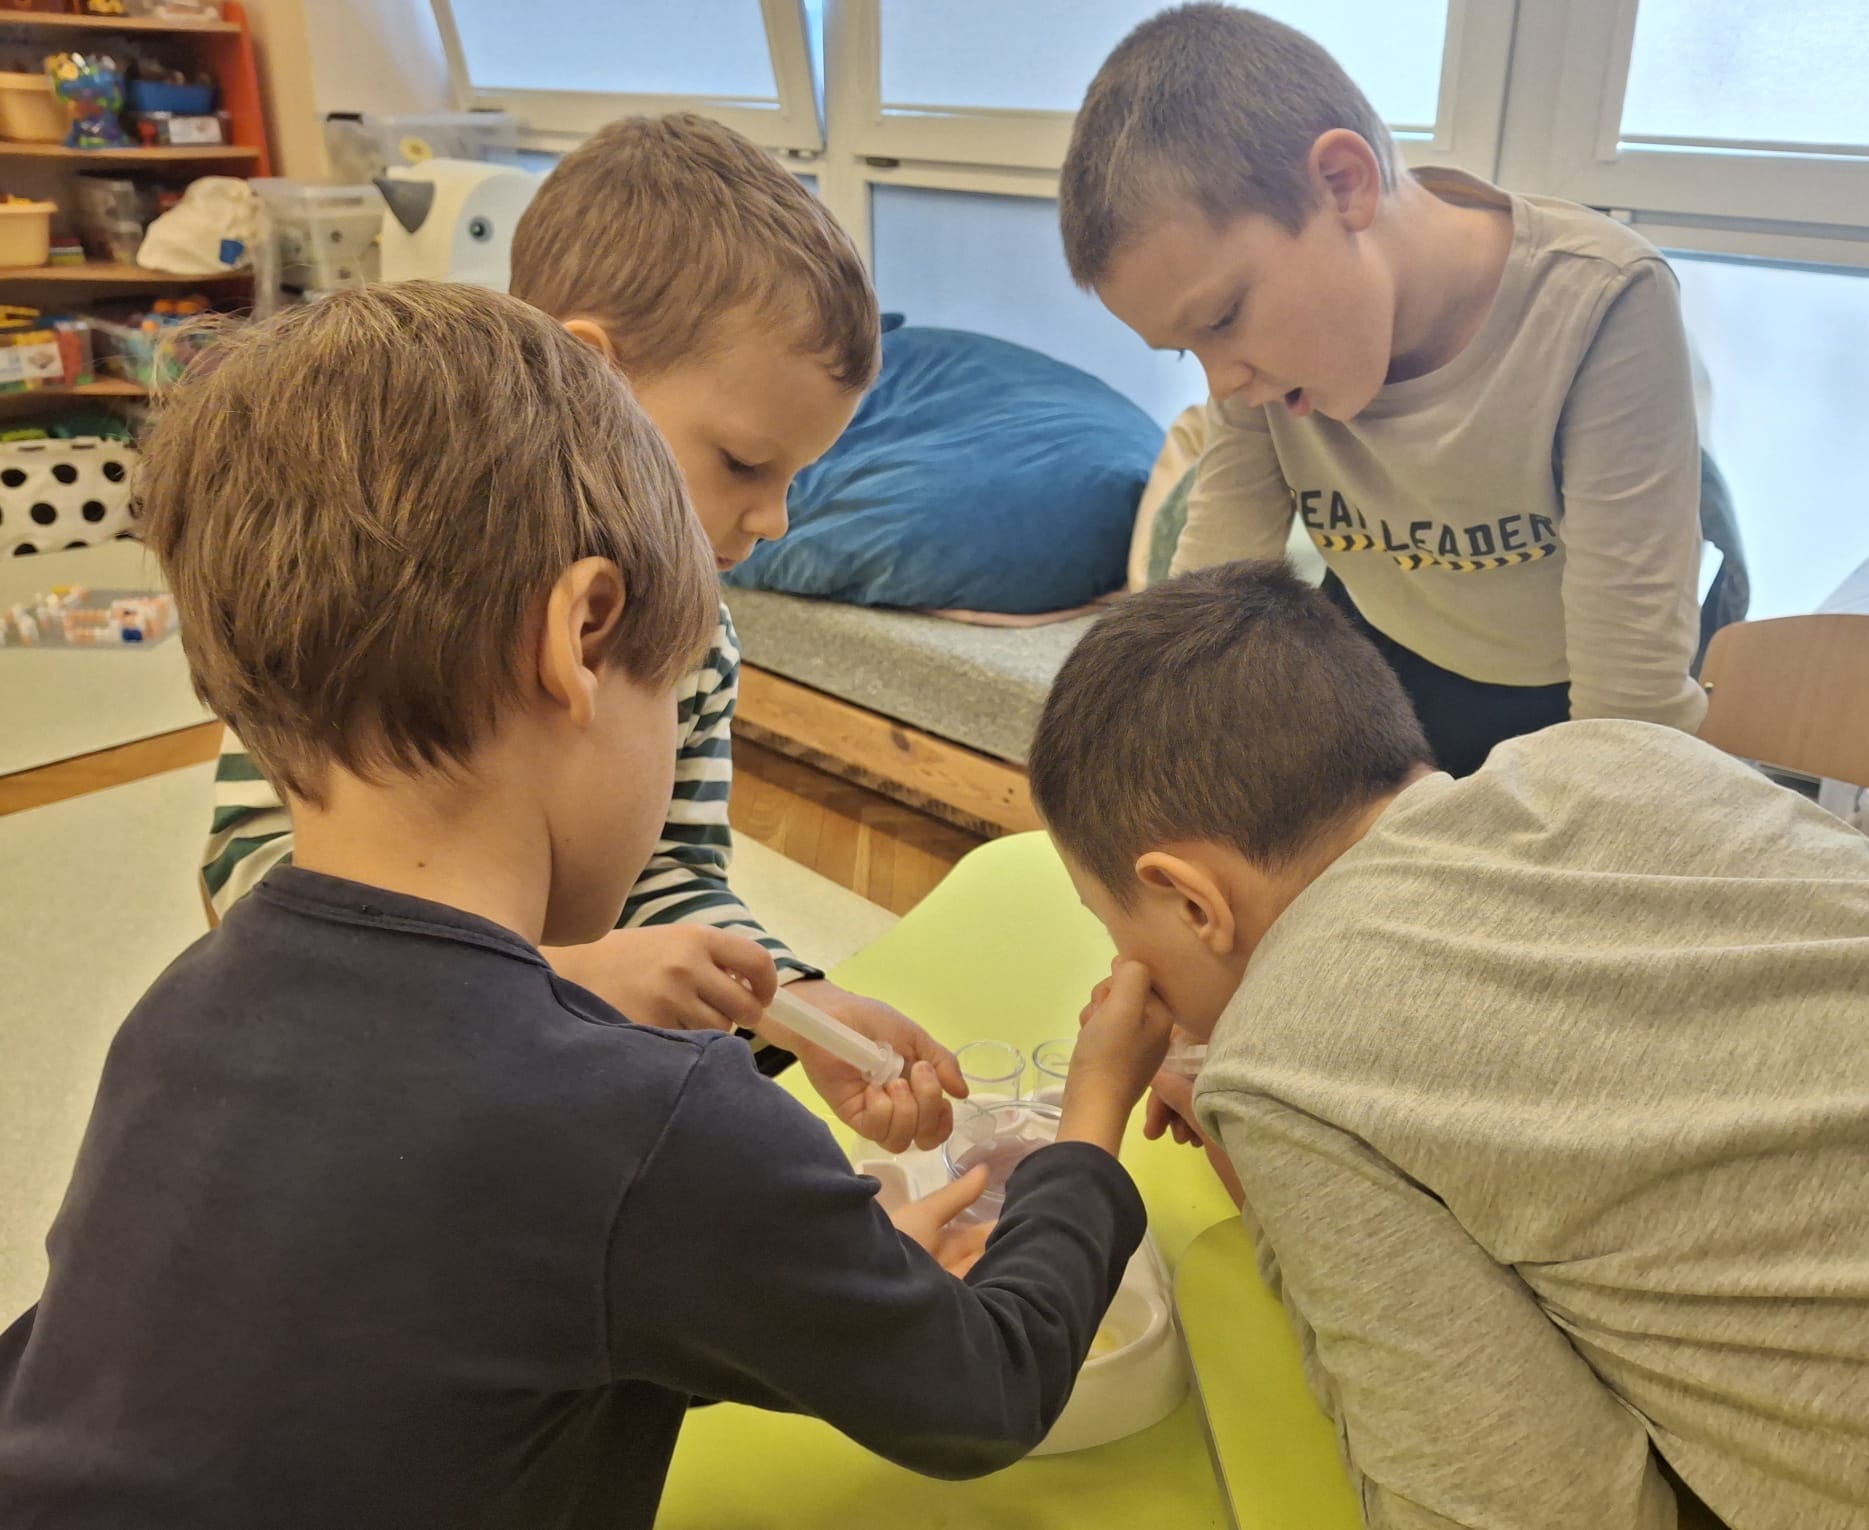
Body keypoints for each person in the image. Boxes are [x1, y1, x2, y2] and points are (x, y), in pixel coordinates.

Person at [0, 285, 1175, 1529]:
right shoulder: (656, 1121)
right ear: (584, 637)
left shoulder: (178, 1013)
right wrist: (1090, 1119)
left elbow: (402, 1333)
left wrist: (781, 1273)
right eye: (671, 696)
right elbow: (988, 1387)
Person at [1030, 560, 1869, 1530]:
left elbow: (1530, 1509)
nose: (1128, 971)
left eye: (1117, 931)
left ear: (1192, 902)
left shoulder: (1286, 1061)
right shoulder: (1627, 751)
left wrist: (1253, 1105)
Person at [203, 114, 945, 1149]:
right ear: (592, 377)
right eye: (743, 463)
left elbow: (674, 871)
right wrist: (558, 979)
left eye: (795, 478)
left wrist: (796, 1003)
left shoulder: (696, 640)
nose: (775, 519)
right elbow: (253, 883)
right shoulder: (366, 586)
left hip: (548, 1092)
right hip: (362, 1101)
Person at [1061, 5, 1708, 776]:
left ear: (1343, 184)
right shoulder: (1256, 369)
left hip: (1559, 692)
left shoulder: (1600, 297)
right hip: (1376, 657)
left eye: (1224, 318)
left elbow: (1629, 703)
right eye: (1186, 349)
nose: (1222, 381)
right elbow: (1213, 591)